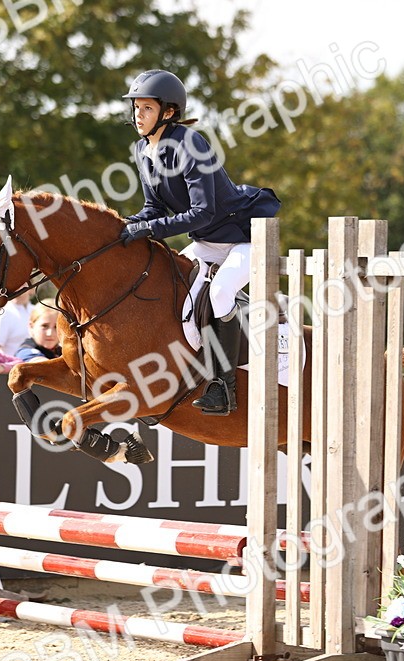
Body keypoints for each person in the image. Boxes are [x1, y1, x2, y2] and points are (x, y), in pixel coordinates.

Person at [119, 68, 281, 416]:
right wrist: (124, 225)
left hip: (244, 238)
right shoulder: (142, 149)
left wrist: (148, 230)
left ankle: (224, 387)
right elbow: (154, 207)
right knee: (169, 283)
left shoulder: (191, 144)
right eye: (136, 108)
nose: (138, 116)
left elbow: (203, 212)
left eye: (146, 108)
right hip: (208, 241)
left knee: (221, 294)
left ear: (169, 111)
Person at [0, 285, 33, 355]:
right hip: (10, 363)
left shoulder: (35, 310)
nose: (17, 289)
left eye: (22, 284)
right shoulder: (3, 312)